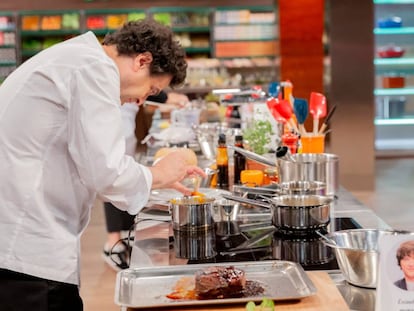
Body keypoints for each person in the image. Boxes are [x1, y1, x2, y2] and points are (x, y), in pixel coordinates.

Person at [0, 18, 205, 311]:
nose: (140, 100)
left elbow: (92, 162)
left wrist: (153, 179)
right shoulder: (95, 69)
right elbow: (107, 172)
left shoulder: (78, 57)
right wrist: (158, 173)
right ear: (142, 61)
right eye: (151, 89)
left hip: (20, 238)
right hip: (25, 246)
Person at [102, 91, 190, 271]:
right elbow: (108, 178)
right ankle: (112, 243)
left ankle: (124, 236)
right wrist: (165, 97)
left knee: (122, 172)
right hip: (116, 119)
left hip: (124, 119)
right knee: (115, 176)